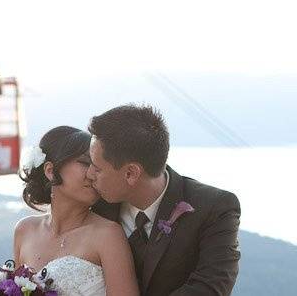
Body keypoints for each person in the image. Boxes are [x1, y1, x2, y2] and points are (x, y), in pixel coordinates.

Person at [87, 104, 241, 296]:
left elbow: (211, 287)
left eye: (97, 168)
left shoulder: (215, 207)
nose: (89, 174)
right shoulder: (93, 204)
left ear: (131, 173)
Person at [14, 126, 140, 296]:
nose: (93, 173)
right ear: (51, 171)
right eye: (85, 163)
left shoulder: (108, 234)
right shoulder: (24, 230)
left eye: (97, 166)